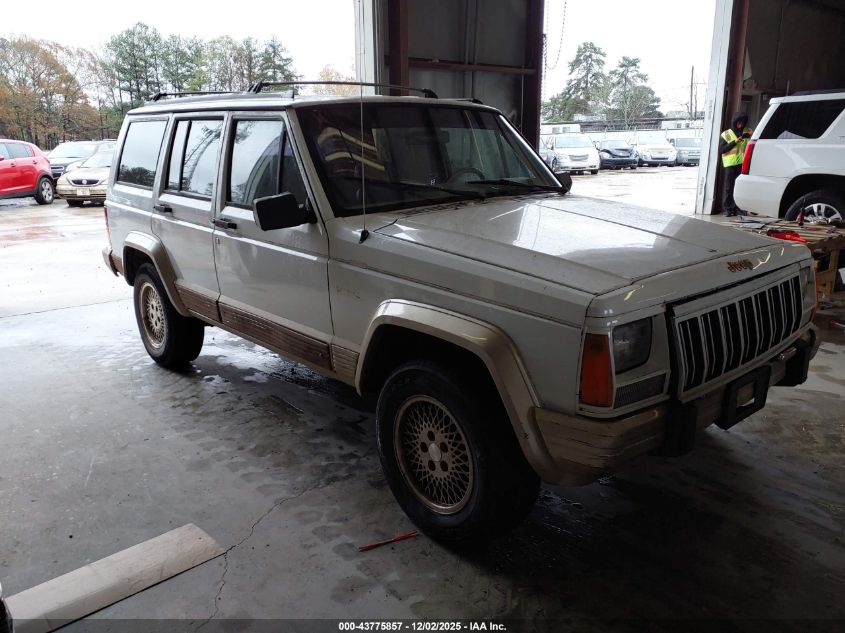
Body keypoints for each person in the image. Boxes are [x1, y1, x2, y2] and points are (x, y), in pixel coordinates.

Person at [719, 112, 753, 217]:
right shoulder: (726, 134)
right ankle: (728, 209)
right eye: (738, 122)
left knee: (740, 187)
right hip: (731, 164)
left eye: (742, 122)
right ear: (735, 122)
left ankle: (738, 208)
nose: (740, 124)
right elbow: (722, 150)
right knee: (729, 188)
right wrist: (735, 142)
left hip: (743, 164)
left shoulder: (749, 132)